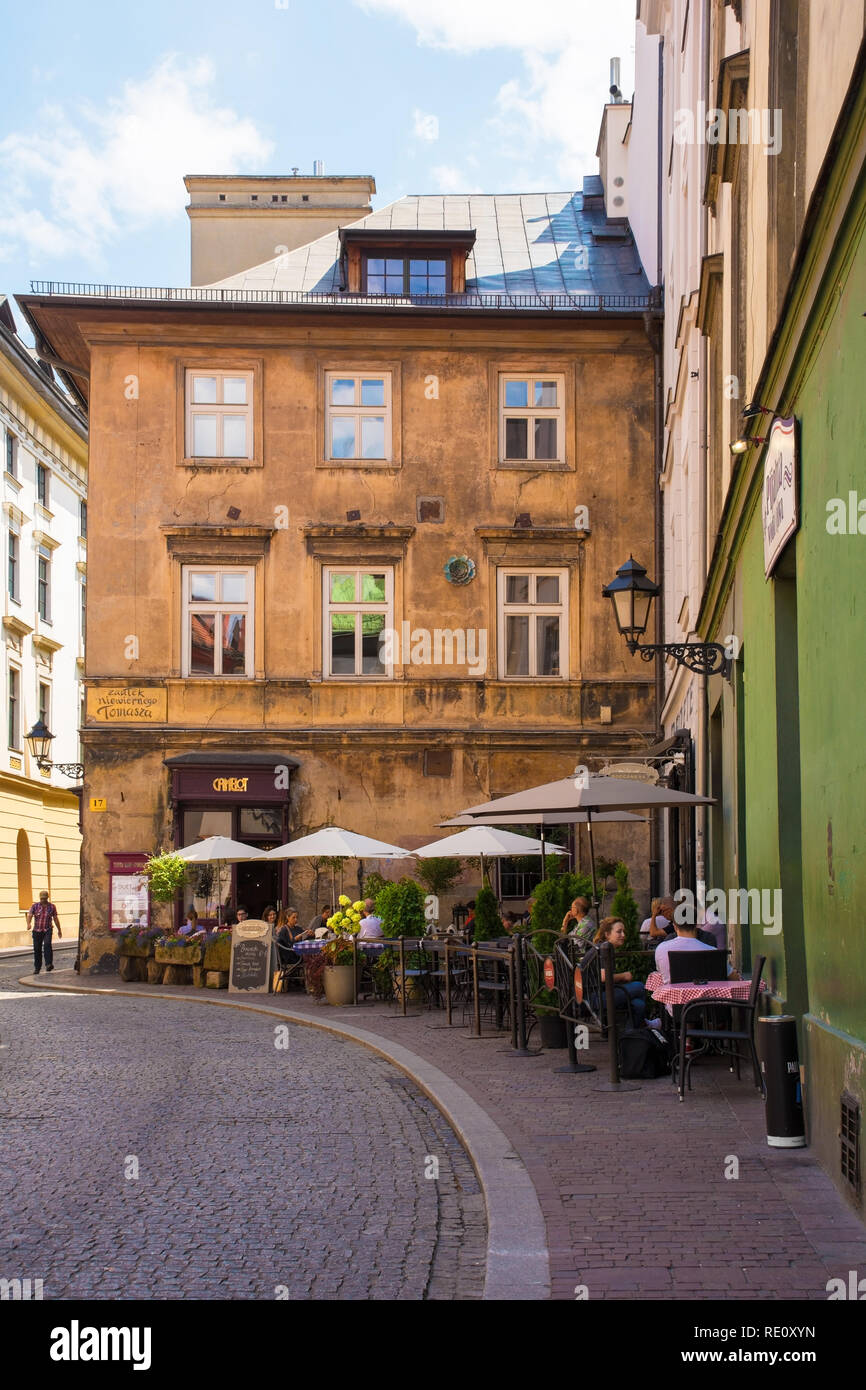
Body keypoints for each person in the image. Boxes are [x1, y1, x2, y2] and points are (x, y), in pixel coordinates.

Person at [592, 917, 656, 1027]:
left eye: (623, 931)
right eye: (619, 932)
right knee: (639, 986)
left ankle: (630, 1035)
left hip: (597, 994)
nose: (623, 935)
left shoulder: (602, 947)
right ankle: (639, 1028)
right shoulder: (605, 948)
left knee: (638, 1004)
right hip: (594, 997)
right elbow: (603, 977)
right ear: (607, 934)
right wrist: (623, 976)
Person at [654, 918, 739, 985]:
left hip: (677, 1005)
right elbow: (735, 979)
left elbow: (661, 974)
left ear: (675, 926)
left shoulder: (661, 949)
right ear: (696, 924)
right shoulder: (712, 951)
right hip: (710, 1003)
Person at [26, 890, 61, 975]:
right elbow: (29, 915)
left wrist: (59, 930)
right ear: (39, 898)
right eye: (42, 898)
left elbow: (55, 919)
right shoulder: (35, 906)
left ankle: (48, 964)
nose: (43, 900)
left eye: (44, 898)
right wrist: (28, 924)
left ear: (47, 898)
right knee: (37, 949)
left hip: (47, 929)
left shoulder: (52, 907)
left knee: (47, 945)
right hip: (37, 930)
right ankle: (37, 968)